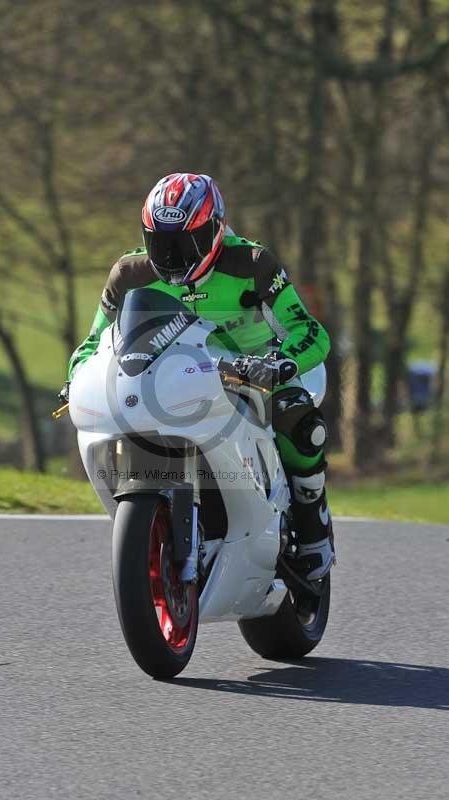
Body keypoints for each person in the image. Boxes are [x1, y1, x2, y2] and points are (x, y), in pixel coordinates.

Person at [63, 173, 334, 580]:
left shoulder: (253, 263)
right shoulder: (127, 273)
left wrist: (282, 363)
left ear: (215, 228)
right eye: (161, 243)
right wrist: (77, 377)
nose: (172, 257)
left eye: (185, 243)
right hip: (172, 377)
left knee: (297, 417)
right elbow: (92, 344)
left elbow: (308, 329)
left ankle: (314, 523)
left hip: (252, 370)